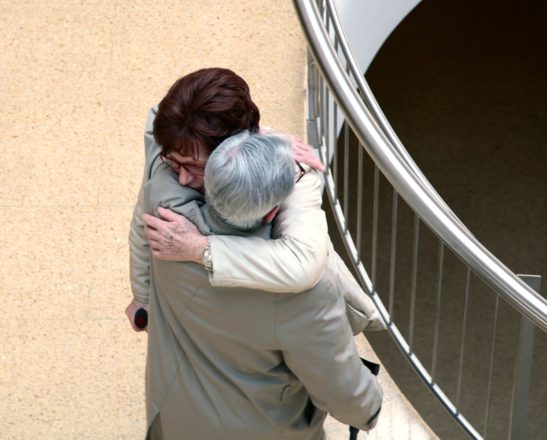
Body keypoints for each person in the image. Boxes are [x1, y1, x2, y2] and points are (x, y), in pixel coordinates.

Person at [141, 130, 382, 439]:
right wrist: (369, 407)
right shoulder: (303, 296)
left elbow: (159, 119)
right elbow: (342, 390)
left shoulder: (163, 208)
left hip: (176, 414)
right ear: (272, 211)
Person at [127, 67, 382, 334]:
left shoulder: (293, 177)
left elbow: (304, 264)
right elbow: (141, 227)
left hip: (284, 318)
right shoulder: (174, 135)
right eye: (173, 162)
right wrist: (142, 296)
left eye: (195, 167)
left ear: (231, 147)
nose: (181, 179)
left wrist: (198, 248)